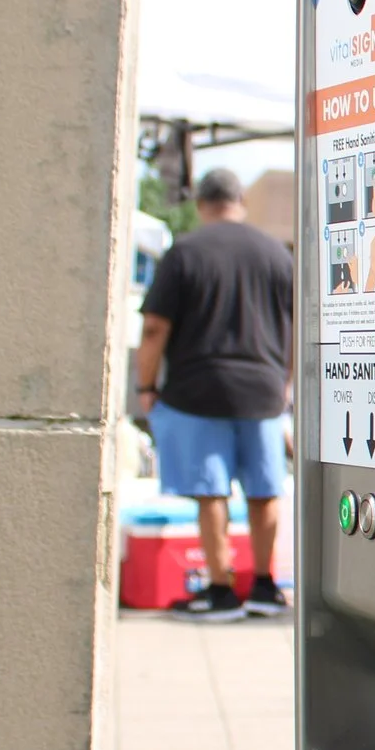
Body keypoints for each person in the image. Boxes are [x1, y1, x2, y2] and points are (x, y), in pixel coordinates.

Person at [135, 168, 296, 622]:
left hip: (198, 390)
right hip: (263, 391)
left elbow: (154, 328)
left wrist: (146, 387)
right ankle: (265, 586)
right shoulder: (276, 255)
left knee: (212, 492)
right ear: (240, 200)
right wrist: (283, 384)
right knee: (265, 489)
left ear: (202, 204)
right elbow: (297, 328)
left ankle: (221, 589)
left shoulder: (184, 252)